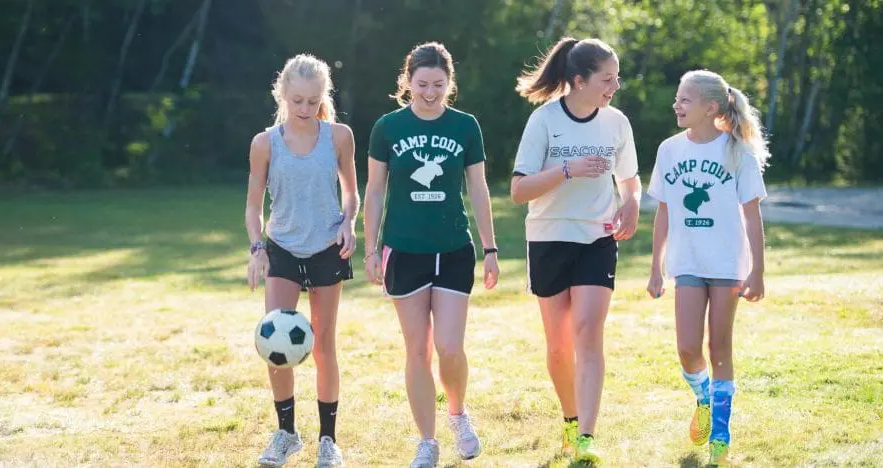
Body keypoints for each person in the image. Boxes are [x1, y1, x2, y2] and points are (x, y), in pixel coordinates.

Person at [362, 41, 499, 468]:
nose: (429, 92)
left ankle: (458, 414)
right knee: (417, 350)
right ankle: (427, 441)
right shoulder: (387, 127)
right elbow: (375, 190)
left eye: (438, 84)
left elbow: (478, 189)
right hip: (403, 251)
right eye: (421, 84)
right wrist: (369, 249)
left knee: (449, 346)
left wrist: (490, 248)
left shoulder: (466, 126)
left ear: (449, 83)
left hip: (454, 249)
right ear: (407, 82)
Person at [510, 36, 641, 465]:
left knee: (588, 330)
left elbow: (629, 180)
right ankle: (569, 419)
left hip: (597, 238)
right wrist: (567, 170)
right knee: (559, 346)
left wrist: (632, 204)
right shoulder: (544, 121)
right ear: (578, 80)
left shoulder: (617, 123)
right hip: (549, 237)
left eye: (616, 78)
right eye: (607, 79)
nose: (614, 87)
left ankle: (585, 435)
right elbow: (518, 190)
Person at [646, 69, 768, 467]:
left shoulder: (737, 152)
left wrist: (758, 272)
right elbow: (663, 212)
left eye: (685, 100)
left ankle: (720, 432)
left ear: (710, 107)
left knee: (719, 347)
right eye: (678, 98)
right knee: (686, 348)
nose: (677, 105)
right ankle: (702, 398)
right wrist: (655, 266)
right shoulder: (669, 150)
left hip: (727, 262)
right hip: (688, 261)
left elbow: (752, 216)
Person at [245, 54, 359, 468]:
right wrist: (257, 248)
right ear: (282, 95)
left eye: (313, 101)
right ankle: (286, 433)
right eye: (297, 100)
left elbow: (351, 192)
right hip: (283, 250)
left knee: (324, 347)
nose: (305, 109)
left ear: (323, 98)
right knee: (277, 343)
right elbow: (253, 206)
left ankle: (328, 441)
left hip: (328, 247)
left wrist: (349, 222)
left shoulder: (339, 136)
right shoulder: (265, 143)